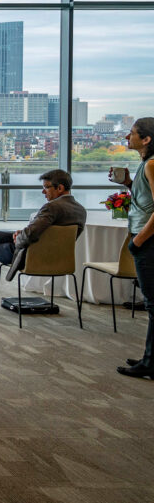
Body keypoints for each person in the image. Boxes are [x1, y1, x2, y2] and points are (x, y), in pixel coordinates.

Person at [0, 169, 86, 310]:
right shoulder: (80, 210)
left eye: (46, 187)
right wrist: (22, 233)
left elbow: (30, 236)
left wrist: (20, 237)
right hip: (56, 256)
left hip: (31, 255)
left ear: (60, 188)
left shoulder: (52, 207)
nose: (43, 192)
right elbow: (47, 234)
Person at [113, 118, 154, 378]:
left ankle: (150, 364)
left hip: (148, 240)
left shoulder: (151, 165)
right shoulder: (144, 165)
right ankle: (150, 358)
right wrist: (129, 184)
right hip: (143, 237)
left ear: (147, 139)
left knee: (153, 304)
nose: (128, 137)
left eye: (132, 133)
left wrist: (138, 241)